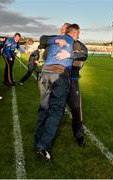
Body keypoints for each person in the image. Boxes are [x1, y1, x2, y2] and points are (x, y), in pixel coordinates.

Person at [35, 24, 80, 160]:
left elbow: (42, 41)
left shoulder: (53, 38)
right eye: (79, 34)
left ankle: (37, 142)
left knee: (44, 108)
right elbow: (84, 55)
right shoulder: (74, 42)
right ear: (75, 34)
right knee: (56, 111)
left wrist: (54, 41)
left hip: (44, 73)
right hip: (59, 75)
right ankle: (43, 146)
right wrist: (71, 54)